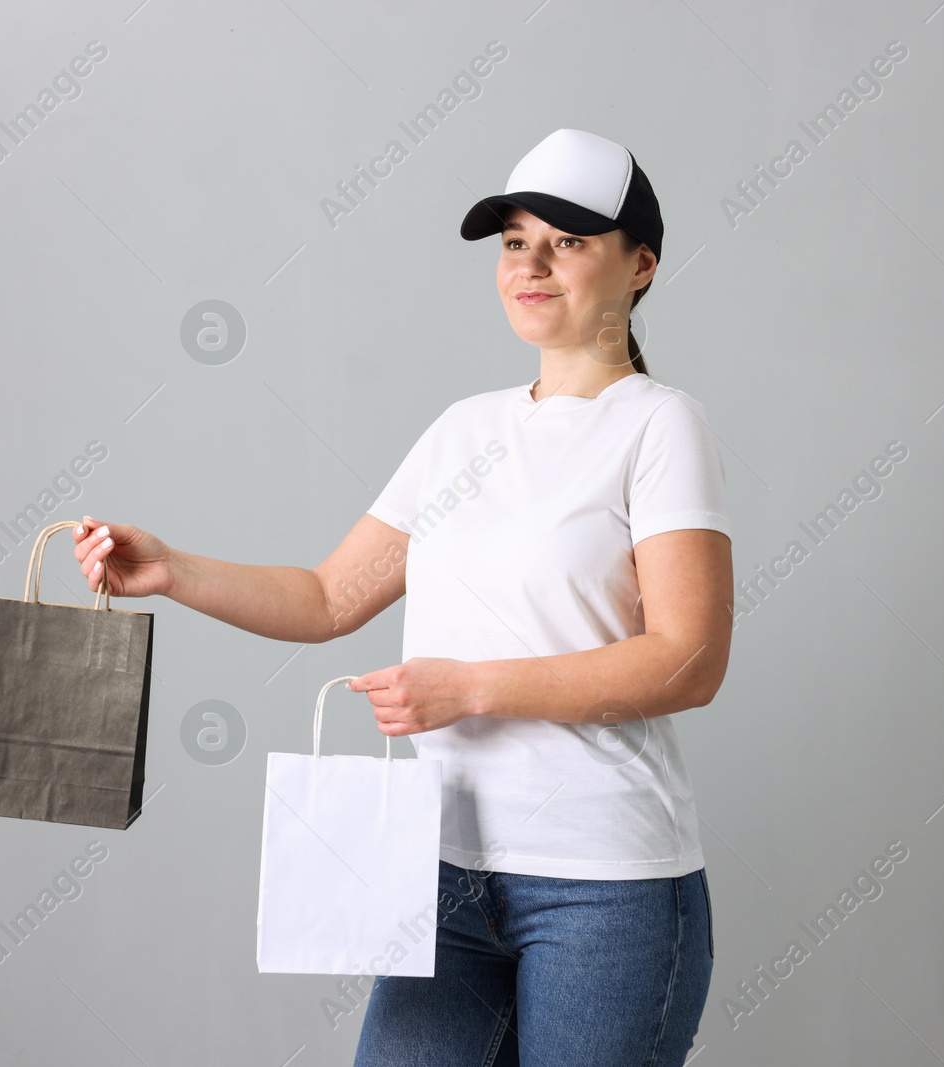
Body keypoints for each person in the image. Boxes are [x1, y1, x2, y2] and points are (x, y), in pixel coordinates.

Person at [72, 128, 733, 1066]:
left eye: (570, 242)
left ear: (643, 265)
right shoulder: (464, 431)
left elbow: (689, 658)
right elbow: (329, 597)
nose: (532, 265)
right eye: (514, 242)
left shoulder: (660, 426)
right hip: (443, 875)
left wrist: (470, 689)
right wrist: (170, 569)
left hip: (605, 889)